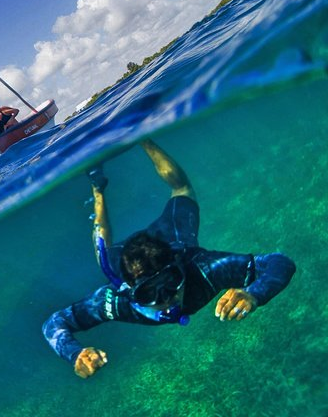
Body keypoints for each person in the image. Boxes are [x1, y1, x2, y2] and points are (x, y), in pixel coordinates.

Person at [42, 139, 296, 379]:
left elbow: (279, 262)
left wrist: (254, 293)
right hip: (126, 259)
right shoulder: (118, 301)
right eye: (149, 293)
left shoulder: (202, 268)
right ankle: (97, 188)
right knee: (105, 255)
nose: (166, 299)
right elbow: (54, 323)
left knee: (182, 188)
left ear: (180, 268)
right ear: (131, 292)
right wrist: (75, 354)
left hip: (173, 239)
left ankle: (144, 138)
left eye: (171, 282)